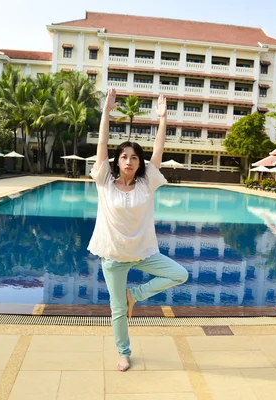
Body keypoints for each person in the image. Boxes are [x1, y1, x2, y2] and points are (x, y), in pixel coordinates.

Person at [88, 88, 188, 372]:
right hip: (113, 256)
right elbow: (103, 143)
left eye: (133, 158)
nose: (129, 161)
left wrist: (163, 119)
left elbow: (158, 150)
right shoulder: (104, 180)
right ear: (117, 161)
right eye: (124, 157)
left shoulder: (147, 182)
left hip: (143, 252)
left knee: (180, 274)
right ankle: (123, 352)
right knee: (117, 310)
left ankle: (137, 294)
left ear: (139, 162)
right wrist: (106, 112)